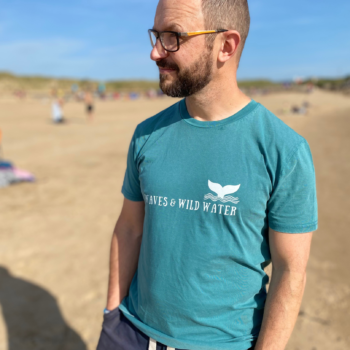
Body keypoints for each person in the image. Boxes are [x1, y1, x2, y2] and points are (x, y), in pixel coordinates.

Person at [97, 1, 318, 350]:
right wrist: (112, 316)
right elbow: (129, 228)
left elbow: (291, 272)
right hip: (130, 334)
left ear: (226, 46)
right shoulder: (147, 135)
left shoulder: (284, 150)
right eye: (156, 35)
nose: (156, 52)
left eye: (173, 37)